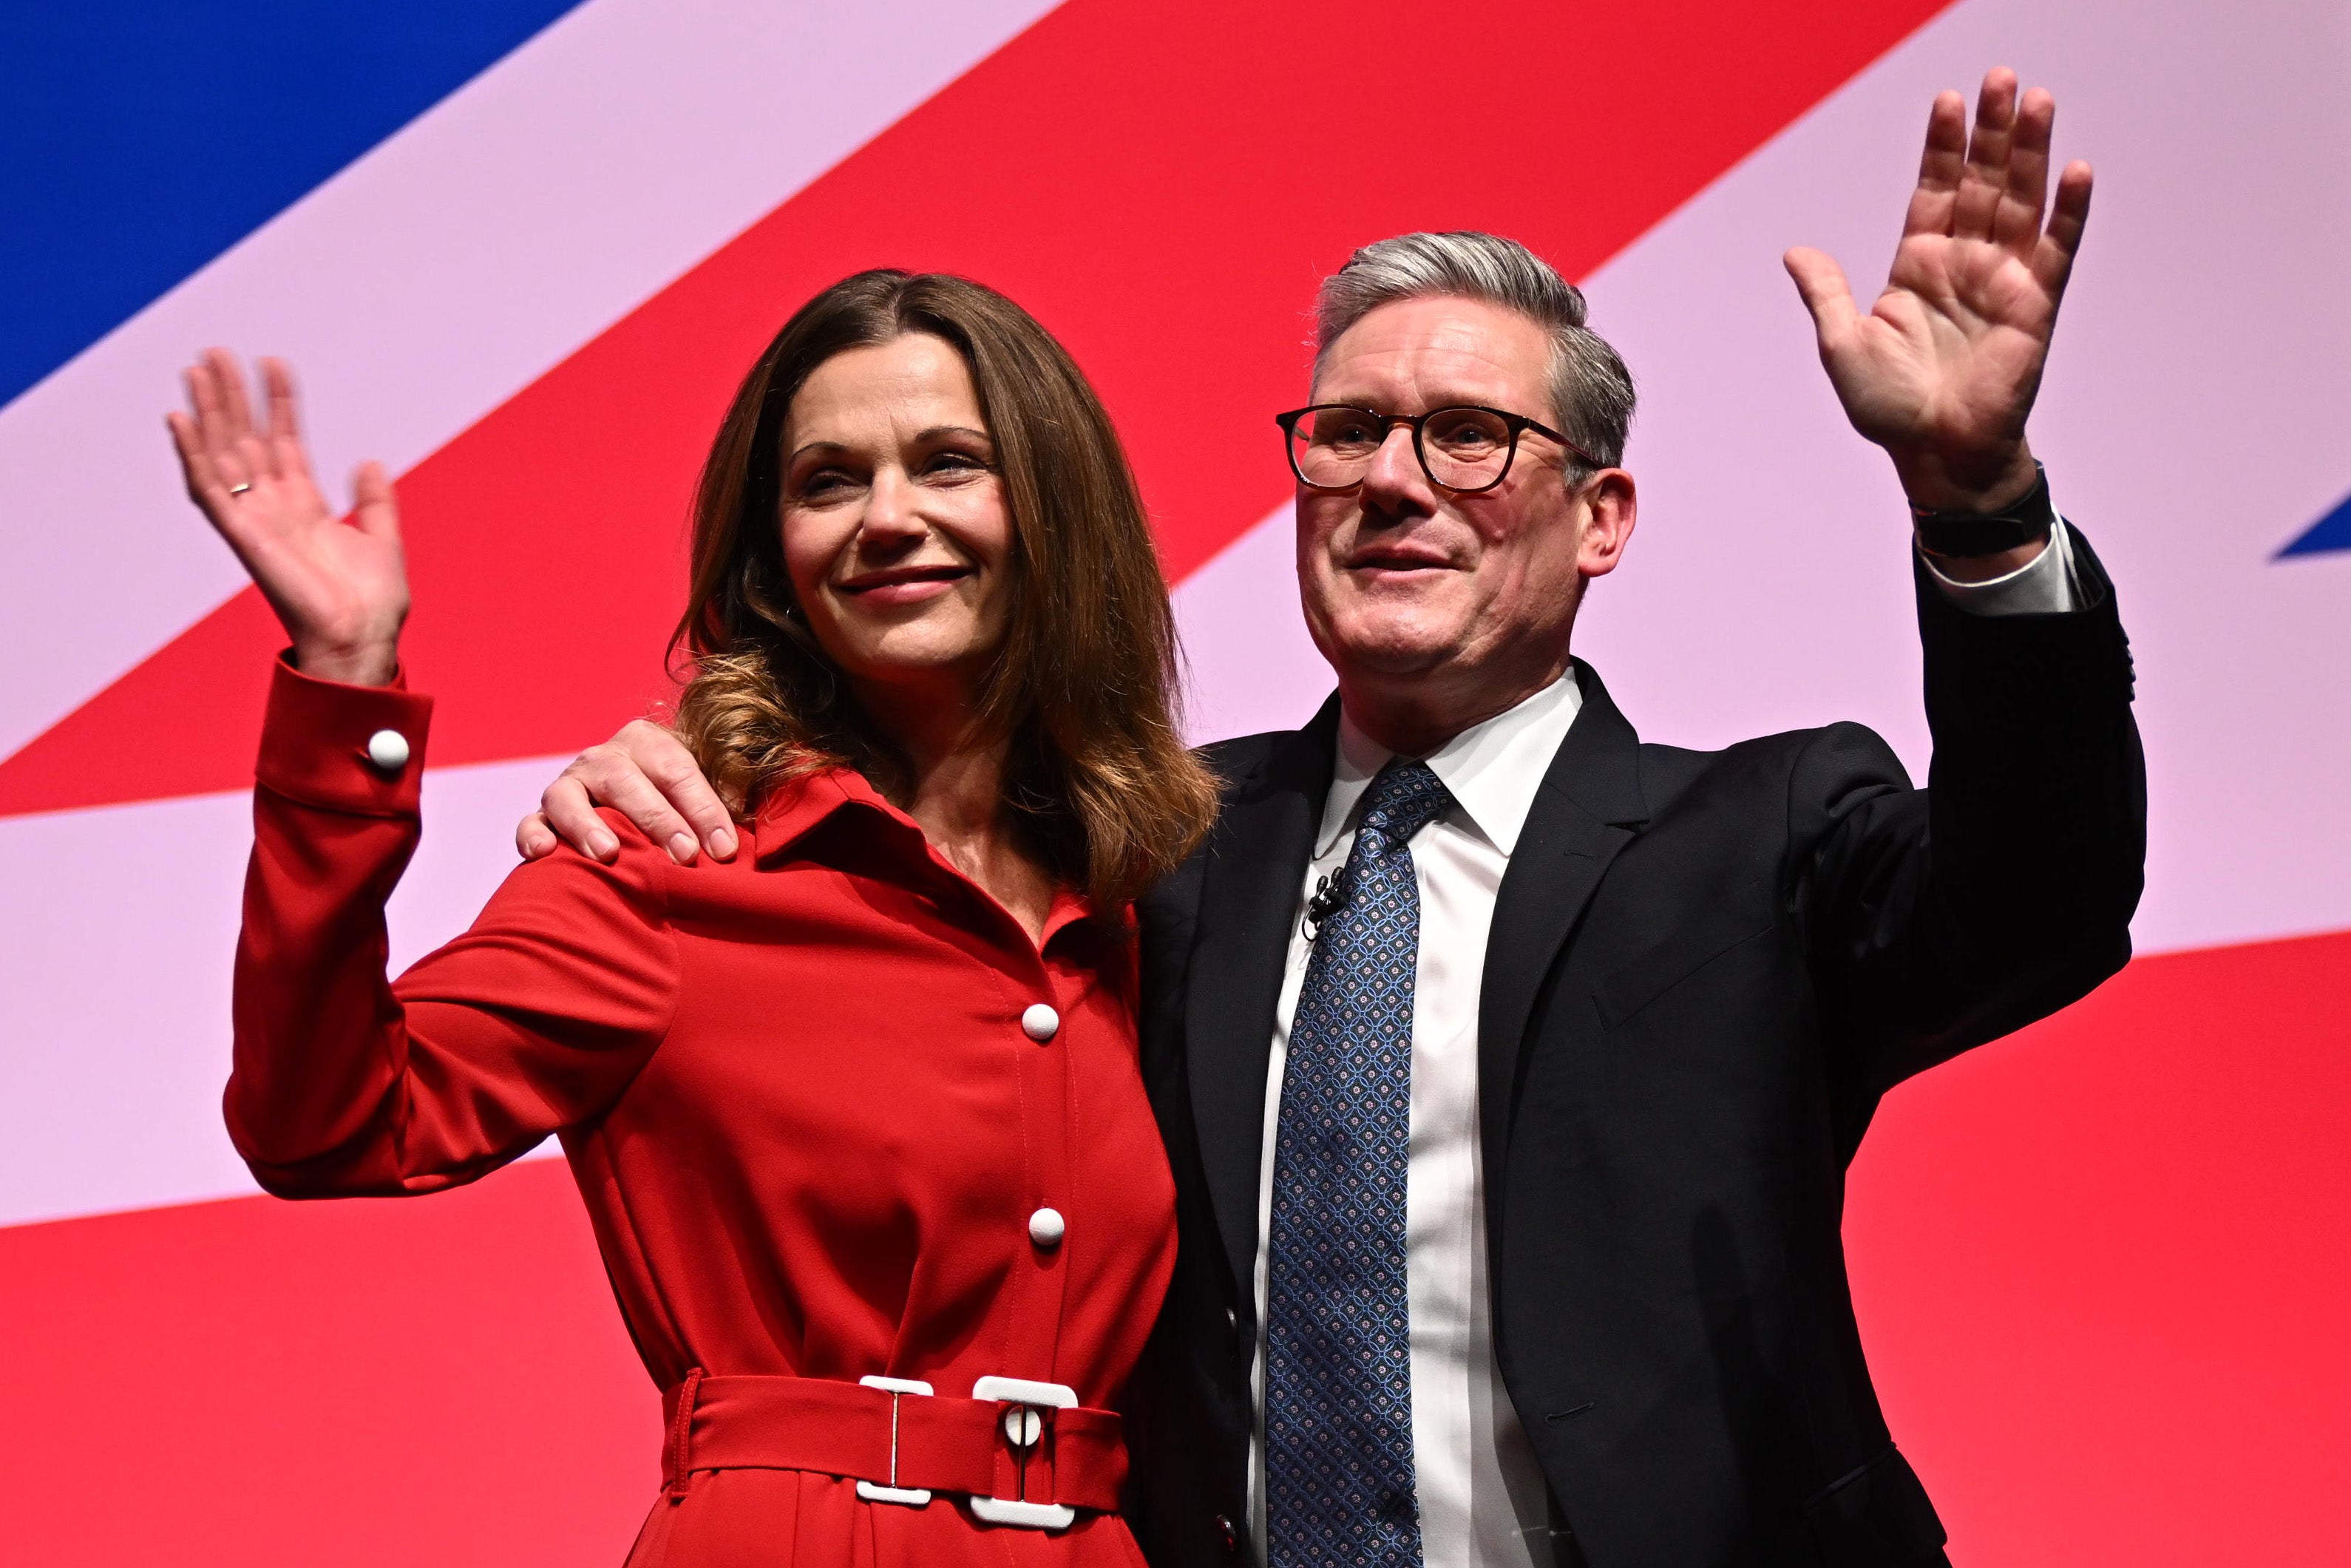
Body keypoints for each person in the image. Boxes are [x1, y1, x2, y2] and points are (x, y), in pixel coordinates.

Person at [522, 72, 2145, 1567]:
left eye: (1470, 437)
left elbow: (2048, 898)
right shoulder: (1145, 848)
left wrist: (1979, 503)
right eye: (1348, 432)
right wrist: (686, 773)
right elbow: (879, 906)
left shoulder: (1762, 834)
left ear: (1602, 518)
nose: (1391, 479)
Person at [169, 270, 1221, 1565]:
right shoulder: (673, 861)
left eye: (952, 463)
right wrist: (346, 677)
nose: (888, 517)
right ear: (773, 553)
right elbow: (324, 1123)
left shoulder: (1150, 901)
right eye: (829, 480)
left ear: (1061, 509)